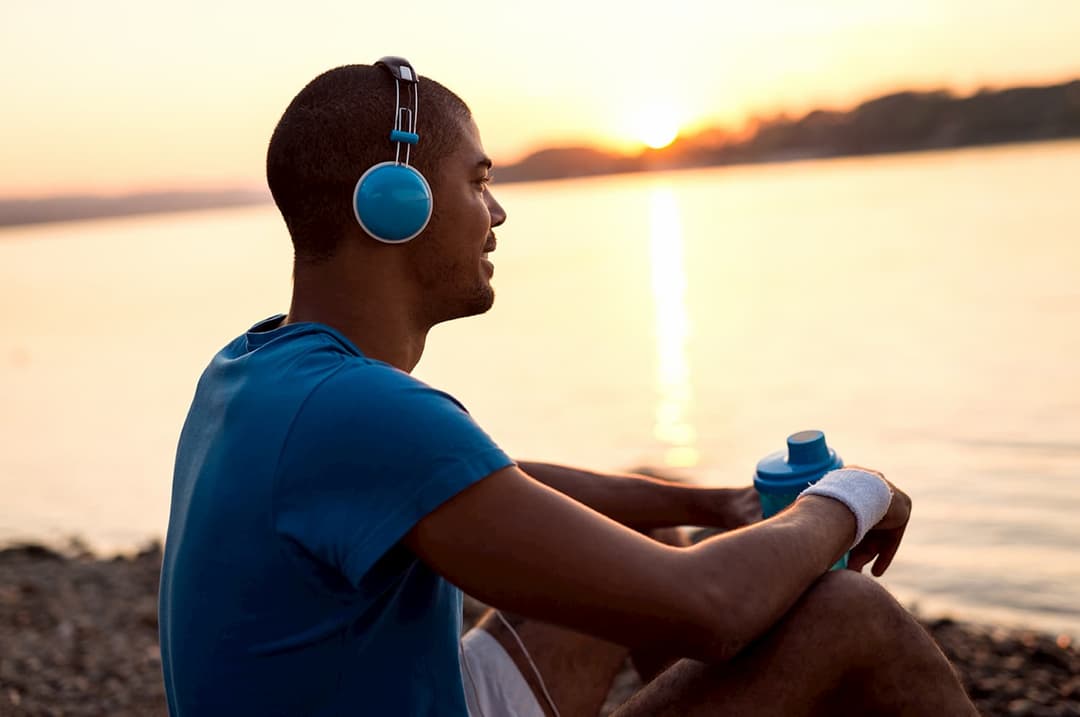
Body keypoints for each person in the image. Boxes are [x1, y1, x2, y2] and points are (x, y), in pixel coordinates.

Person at [158, 58, 978, 716]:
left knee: (643, 517)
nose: (497, 213)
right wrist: (853, 492)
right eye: (478, 181)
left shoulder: (259, 367)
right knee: (848, 614)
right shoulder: (360, 410)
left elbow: (480, 486)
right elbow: (712, 606)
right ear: (397, 202)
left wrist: (715, 504)